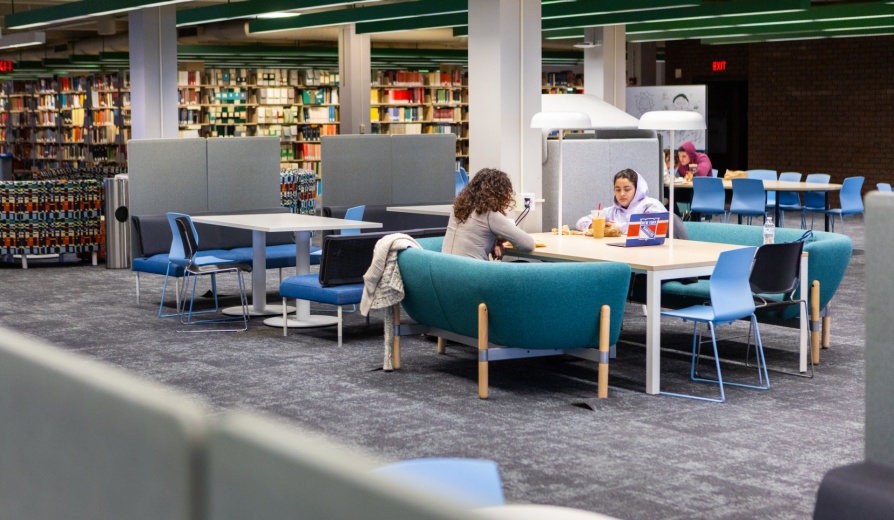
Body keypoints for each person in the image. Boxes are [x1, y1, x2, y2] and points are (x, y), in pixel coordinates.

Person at [442, 167, 536, 261]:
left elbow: (476, 238)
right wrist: (499, 241)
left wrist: (495, 243)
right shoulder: (489, 215)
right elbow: (528, 244)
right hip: (470, 273)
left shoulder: (458, 208)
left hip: (445, 270)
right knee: (521, 262)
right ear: (499, 194)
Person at [576, 168, 666, 234]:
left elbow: (652, 230)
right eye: (618, 190)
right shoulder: (613, 210)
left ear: (637, 190)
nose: (622, 194)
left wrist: (618, 227)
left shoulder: (650, 205)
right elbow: (581, 222)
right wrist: (593, 225)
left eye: (627, 189)